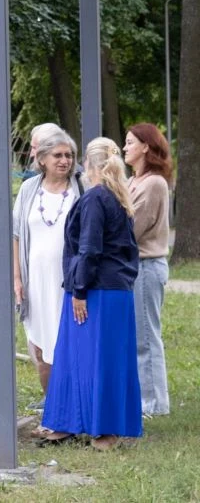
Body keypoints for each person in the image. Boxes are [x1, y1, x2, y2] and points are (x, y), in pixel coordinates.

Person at [40, 137, 141, 451]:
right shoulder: (117, 195)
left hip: (96, 290)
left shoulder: (96, 197)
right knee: (105, 359)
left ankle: (100, 429)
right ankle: (79, 424)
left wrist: (79, 290)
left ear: (89, 164)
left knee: (86, 359)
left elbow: (90, 248)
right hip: (115, 291)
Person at [11, 126, 80, 417]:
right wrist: (17, 278)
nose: (64, 161)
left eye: (69, 155)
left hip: (69, 282)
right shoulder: (29, 189)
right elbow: (16, 235)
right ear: (42, 159)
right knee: (39, 347)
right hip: (36, 281)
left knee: (69, 345)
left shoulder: (80, 187)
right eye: (58, 155)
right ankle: (53, 408)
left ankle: (73, 409)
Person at [124, 122, 172, 417]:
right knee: (136, 337)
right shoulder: (133, 181)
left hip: (146, 265)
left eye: (130, 142)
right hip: (133, 267)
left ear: (145, 146)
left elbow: (132, 228)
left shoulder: (154, 183)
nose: (125, 147)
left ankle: (154, 403)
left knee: (145, 337)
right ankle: (142, 397)